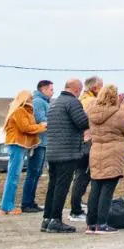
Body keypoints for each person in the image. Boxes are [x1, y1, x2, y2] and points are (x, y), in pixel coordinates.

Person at [86, 85, 124, 235]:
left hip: (96, 152)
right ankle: (102, 224)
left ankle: (91, 224)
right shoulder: (118, 114)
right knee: (107, 190)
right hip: (113, 153)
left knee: (95, 188)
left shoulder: (91, 112)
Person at [41, 78, 88, 233]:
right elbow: (82, 122)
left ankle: (47, 219)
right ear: (77, 89)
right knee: (62, 187)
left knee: (52, 186)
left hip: (53, 152)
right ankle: (56, 220)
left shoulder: (54, 103)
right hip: (67, 153)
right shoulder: (73, 102)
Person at [0, 90, 46, 215]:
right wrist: (42, 126)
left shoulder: (22, 110)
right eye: (30, 98)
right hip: (17, 144)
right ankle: (7, 206)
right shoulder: (20, 111)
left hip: (19, 144)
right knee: (13, 176)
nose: (32, 100)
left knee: (13, 175)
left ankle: (6, 205)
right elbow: (25, 128)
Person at [69, 75, 103, 219]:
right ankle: (75, 210)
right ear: (95, 88)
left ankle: (76, 204)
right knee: (83, 176)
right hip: (88, 142)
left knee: (80, 175)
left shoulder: (81, 99)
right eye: (101, 86)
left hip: (80, 141)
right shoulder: (91, 101)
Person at [20, 80, 53, 214]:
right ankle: (26, 203)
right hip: (39, 143)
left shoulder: (45, 102)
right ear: (44, 90)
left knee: (37, 173)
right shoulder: (39, 102)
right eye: (51, 89)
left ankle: (31, 202)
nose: (52, 92)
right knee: (32, 173)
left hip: (44, 142)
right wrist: (55, 120)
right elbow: (40, 120)